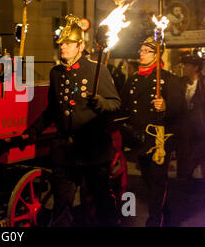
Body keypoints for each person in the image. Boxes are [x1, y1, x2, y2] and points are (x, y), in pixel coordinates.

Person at [24, 15, 122, 226]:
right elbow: (53, 108)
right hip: (65, 152)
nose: (63, 47)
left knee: (102, 204)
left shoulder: (98, 70)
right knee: (62, 206)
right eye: (61, 43)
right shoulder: (56, 73)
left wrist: (102, 103)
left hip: (92, 150)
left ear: (80, 46)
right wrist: (34, 130)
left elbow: (115, 103)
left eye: (68, 44)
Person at [120, 37, 184, 227]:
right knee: (148, 180)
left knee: (157, 182)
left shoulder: (168, 79)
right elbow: (122, 106)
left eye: (146, 51)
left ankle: (155, 221)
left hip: (159, 140)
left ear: (157, 55)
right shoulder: (132, 81)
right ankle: (166, 214)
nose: (141, 53)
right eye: (140, 50)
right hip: (139, 140)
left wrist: (165, 106)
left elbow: (180, 106)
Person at [177, 54, 205, 182]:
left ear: (195, 68)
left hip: (200, 128)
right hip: (184, 129)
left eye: (187, 65)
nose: (184, 68)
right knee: (183, 159)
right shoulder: (180, 83)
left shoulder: (203, 83)